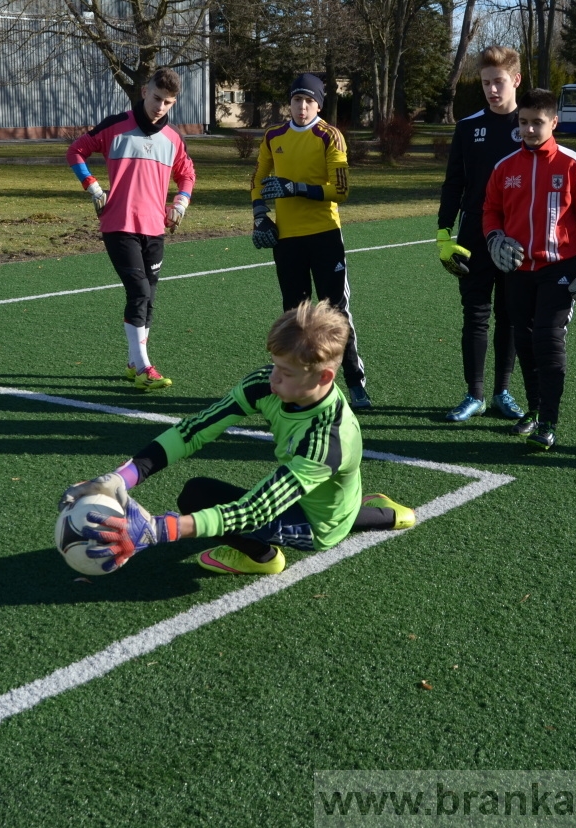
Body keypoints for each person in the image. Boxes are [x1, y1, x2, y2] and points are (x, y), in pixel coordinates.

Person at [60, 301, 414, 576]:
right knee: (211, 494)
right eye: (274, 365)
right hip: (330, 497)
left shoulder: (328, 440)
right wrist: (122, 477)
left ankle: (262, 557)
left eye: (286, 372)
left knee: (197, 497)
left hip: (316, 523)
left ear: (323, 377)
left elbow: (257, 509)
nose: (273, 378)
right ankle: (388, 513)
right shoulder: (269, 384)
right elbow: (196, 429)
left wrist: (160, 529)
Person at [483, 88, 576, 450]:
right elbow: (491, 209)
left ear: (554, 122)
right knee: (523, 339)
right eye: (523, 123)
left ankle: (548, 421)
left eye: (537, 123)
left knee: (547, 341)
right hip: (517, 269)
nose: (529, 130)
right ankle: (534, 410)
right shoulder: (504, 167)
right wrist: (494, 238)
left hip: (559, 269)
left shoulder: (574, 164)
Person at [66, 68, 196, 391]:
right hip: (119, 226)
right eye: (156, 98)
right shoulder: (115, 126)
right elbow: (75, 151)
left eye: (167, 102)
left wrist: (180, 204)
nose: (160, 107)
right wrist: (93, 187)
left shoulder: (173, 139)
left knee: (148, 298)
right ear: (144, 91)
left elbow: (188, 175)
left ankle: (131, 362)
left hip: (155, 229)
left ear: (174, 102)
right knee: (139, 292)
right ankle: (143, 367)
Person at [250, 73, 372, 410]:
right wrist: (261, 217)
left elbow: (342, 190)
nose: (302, 107)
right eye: (296, 100)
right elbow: (258, 180)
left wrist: (296, 188)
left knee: (336, 314)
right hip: (287, 241)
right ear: (288, 102)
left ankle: (355, 383)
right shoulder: (273, 135)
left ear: (318, 103)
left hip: (325, 237)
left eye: (308, 100)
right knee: (295, 317)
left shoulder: (330, 136)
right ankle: (299, 386)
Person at [435, 46, 526, 423]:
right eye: (487, 82)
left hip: (518, 235)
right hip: (473, 233)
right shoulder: (468, 126)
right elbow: (453, 182)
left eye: (499, 82)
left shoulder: (531, 125)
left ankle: (503, 392)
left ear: (516, 80)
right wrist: (443, 232)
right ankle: (474, 394)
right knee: (474, 314)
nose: (492, 89)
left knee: (509, 314)